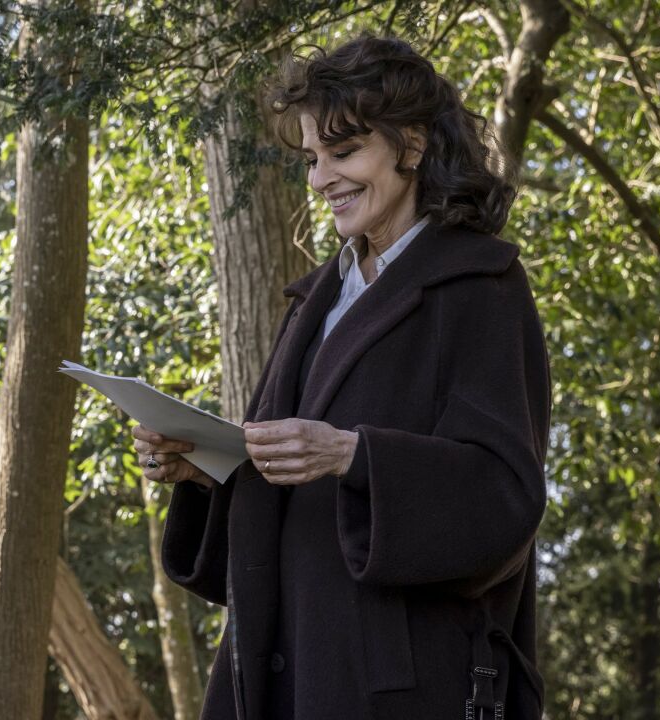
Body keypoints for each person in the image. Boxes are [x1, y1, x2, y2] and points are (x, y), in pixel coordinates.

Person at [133, 36, 550, 719]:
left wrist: (353, 455)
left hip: (397, 686)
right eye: (311, 159)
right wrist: (207, 470)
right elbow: (280, 497)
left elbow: (505, 497)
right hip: (277, 672)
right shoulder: (314, 301)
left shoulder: (482, 285)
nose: (320, 179)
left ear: (411, 146)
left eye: (344, 152)